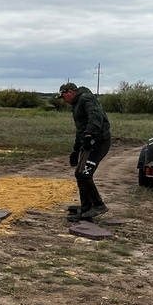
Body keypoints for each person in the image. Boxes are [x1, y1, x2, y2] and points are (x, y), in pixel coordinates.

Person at [57, 82, 111, 222]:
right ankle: (86, 208)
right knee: (80, 174)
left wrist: (89, 135)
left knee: (84, 174)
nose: (64, 101)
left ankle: (98, 205)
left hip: (98, 142)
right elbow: (80, 129)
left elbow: (95, 116)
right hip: (89, 142)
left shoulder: (86, 98)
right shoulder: (77, 103)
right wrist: (75, 150)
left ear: (70, 92)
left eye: (63, 96)